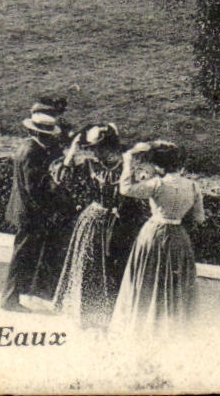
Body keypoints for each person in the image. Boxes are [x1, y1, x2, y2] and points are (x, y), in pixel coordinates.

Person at [50, 124, 142, 329]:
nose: (94, 152)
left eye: (97, 148)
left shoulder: (129, 166)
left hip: (122, 223)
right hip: (93, 220)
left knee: (117, 266)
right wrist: (72, 150)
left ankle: (115, 314)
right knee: (89, 265)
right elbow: (62, 177)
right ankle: (89, 313)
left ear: (110, 146)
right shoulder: (91, 165)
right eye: (92, 148)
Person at [111, 141, 205, 337]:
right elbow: (198, 218)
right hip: (179, 236)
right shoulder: (194, 186)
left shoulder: (157, 184)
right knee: (173, 281)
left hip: (154, 234)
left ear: (159, 166)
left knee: (149, 277)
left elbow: (125, 189)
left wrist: (128, 162)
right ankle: (172, 326)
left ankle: (144, 323)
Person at [0, 108, 71, 312]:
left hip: (24, 210)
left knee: (24, 254)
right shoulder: (33, 152)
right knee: (22, 256)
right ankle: (9, 299)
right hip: (29, 213)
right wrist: (49, 208)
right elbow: (34, 189)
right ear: (40, 133)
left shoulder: (29, 147)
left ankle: (14, 296)